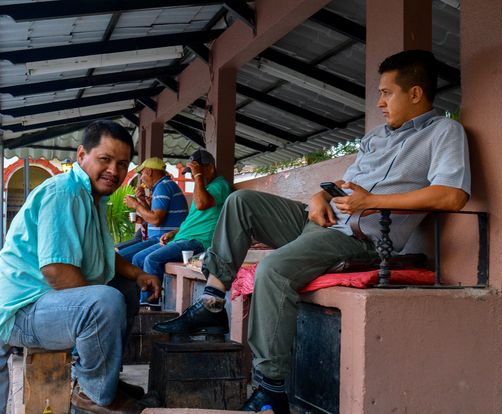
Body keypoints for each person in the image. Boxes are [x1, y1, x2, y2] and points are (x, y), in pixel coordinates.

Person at [153, 50, 471, 413]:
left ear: (415, 93)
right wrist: (321, 195)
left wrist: (373, 202)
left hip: (358, 237)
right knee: (241, 203)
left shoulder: (445, 132)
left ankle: (271, 389)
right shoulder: (376, 137)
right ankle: (212, 301)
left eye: (387, 93)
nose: (380, 102)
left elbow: (452, 194)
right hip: (320, 219)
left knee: (273, 271)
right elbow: (348, 182)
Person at [0, 120, 162, 414]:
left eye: (122, 163)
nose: (114, 170)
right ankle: (94, 393)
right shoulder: (65, 192)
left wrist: (139, 274)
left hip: (45, 305)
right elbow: (56, 272)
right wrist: (101, 310)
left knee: (124, 289)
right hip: (26, 311)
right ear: (81, 155)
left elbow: (103, 255)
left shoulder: (91, 196)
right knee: (105, 301)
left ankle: (104, 379)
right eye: (105, 159)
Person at [131, 149, 231, 280]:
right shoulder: (202, 189)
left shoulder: (220, 185)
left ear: (211, 168)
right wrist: (174, 232)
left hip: (198, 241)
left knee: (151, 260)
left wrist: (198, 177)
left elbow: (202, 204)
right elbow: (193, 219)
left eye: (195, 172)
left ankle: (150, 300)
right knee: (138, 258)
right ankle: (141, 297)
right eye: (191, 173)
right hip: (182, 238)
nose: (192, 176)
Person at [119, 157, 188, 263]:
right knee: (120, 255)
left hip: (163, 239)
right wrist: (141, 200)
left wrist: (136, 204)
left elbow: (156, 220)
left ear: (149, 171)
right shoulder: (164, 185)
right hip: (159, 238)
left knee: (120, 258)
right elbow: (152, 216)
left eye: (142, 174)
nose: (141, 178)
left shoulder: (162, 187)